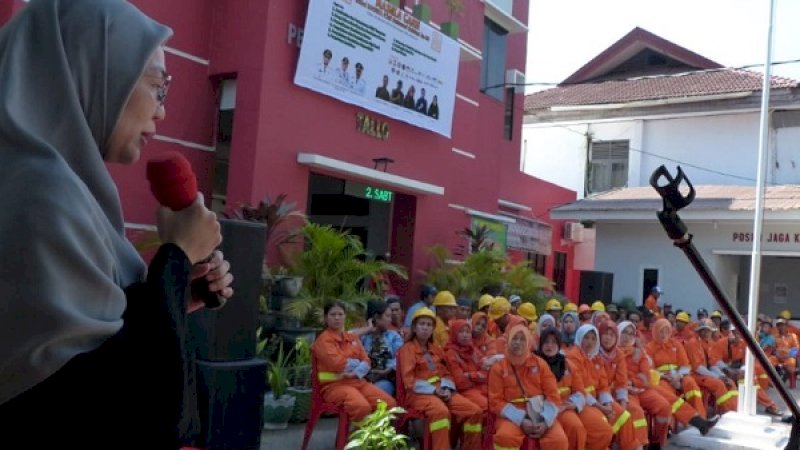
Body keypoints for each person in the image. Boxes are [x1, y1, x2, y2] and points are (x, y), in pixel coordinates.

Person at [0, 1, 235, 447]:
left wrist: (176, 292)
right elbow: (127, 406)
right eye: (156, 85)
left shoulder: (41, 181)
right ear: (94, 70)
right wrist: (178, 253)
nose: (162, 112)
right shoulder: (41, 193)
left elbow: (75, 351)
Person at [617, 321, 718, 443]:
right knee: (657, 399)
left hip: (644, 387)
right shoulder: (613, 352)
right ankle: (642, 444)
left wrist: (677, 376)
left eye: (631, 334)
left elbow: (646, 375)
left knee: (669, 401)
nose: (627, 337)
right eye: (624, 333)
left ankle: (698, 423)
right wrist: (633, 382)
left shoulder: (639, 352)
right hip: (629, 389)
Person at [398, 308, 483, 450]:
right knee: (441, 412)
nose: (425, 328)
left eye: (429, 325)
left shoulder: (436, 349)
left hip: (443, 391)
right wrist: (434, 390)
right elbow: (409, 382)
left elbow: (447, 373)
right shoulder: (407, 349)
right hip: (419, 394)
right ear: (414, 327)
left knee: (474, 412)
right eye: (422, 324)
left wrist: (447, 388)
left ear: (433, 329)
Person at [313, 301, 397, 424]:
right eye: (333, 314)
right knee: (362, 407)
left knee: (390, 404)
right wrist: (357, 363)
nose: (337, 318)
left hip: (357, 381)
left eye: (340, 314)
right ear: (326, 318)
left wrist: (354, 370)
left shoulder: (351, 337)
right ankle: (356, 440)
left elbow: (367, 361)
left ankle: (378, 439)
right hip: (334, 386)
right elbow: (337, 364)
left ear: (345, 316)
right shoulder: (323, 340)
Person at [488, 324, 569, 450]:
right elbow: (495, 402)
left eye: (522, 339)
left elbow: (553, 396)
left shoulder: (540, 364)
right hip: (510, 415)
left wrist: (545, 421)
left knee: (559, 440)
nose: (518, 343)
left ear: (528, 342)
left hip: (539, 412)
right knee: (505, 437)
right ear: (508, 340)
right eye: (515, 338)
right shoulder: (498, 368)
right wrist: (520, 419)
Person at [566, 325, 644, 450]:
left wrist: (607, 404)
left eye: (593, 338)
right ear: (579, 337)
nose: (589, 342)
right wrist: (601, 407)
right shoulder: (573, 356)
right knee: (604, 430)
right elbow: (579, 389)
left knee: (624, 417)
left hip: (598, 400)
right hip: (583, 402)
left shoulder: (595, 357)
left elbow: (603, 385)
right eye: (586, 338)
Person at [537, 327, 613, 450]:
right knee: (576, 429)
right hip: (548, 408)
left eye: (554, 342)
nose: (549, 346)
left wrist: (573, 404)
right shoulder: (534, 364)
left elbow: (580, 390)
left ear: (559, 344)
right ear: (540, 344)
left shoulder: (567, 364)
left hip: (570, 405)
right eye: (546, 342)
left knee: (604, 431)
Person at [646, 319, 707, 418]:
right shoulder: (649, 348)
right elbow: (650, 370)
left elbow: (685, 365)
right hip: (662, 378)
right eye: (661, 331)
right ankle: (674, 423)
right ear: (655, 331)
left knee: (691, 383)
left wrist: (678, 375)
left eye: (666, 331)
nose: (664, 334)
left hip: (679, 375)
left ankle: (700, 416)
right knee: (666, 390)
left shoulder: (676, 344)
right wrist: (664, 377)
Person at [683, 319, 738, 415]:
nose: (705, 333)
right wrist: (716, 376)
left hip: (706, 374)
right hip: (696, 375)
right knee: (719, 384)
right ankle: (727, 412)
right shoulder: (693, 343)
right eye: (703, 330)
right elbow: (698, 368)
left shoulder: (709, 343)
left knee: (730, 382)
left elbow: (712, 364)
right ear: (699, 331)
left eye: (708, 330)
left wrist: (721, 375)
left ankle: (734, 410)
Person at [360, 300, 404, 395]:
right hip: (362, 379)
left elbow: (401, 356)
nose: (390, 319)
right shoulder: (363, 336)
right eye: (387, 316)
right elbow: (347, 336)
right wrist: (368, 329)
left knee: (379, 390)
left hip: (386, 379)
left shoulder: (393, 337)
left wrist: (387, 370)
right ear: (376, 317)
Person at [444, 319, 488, 410]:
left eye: (468, 332)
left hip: (480, 387)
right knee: (487, 406)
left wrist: (470, 375)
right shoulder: (451, 353)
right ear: (454, 334)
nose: (465, 335)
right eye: (461, 332)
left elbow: (488, 372)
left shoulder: (473, 349)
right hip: (465, 391)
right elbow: (460, 382)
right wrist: (478, 377)